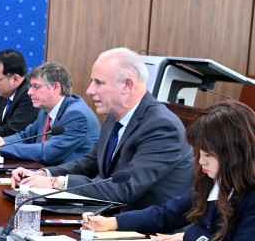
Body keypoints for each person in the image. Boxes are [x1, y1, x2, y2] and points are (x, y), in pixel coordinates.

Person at [83, 101, 255, 241]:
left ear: (234, 153)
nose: (202, 161)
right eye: (199, 153)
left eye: (208, 155)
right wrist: (112, 222)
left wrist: (190, 235)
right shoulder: (212, 180)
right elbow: (167, 215)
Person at [11, 48, 192, 212]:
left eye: (99, 82)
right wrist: (44, 174)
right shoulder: (115, 117)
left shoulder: (161, 126)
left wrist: (55, 183)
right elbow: (88, 164)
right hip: (109, 216)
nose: (89, 90)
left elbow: (125, 187)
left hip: (148, 229)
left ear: (127, 85)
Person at [0, 62, 100, 166]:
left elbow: (47, 152)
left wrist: (2, 146)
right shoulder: (46, 110)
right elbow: (26, 136)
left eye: (36, 86)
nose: (29, 92)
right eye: (30, 86)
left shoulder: (76, 115)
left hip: (71, 179)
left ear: (56, 87)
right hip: (46, 172)